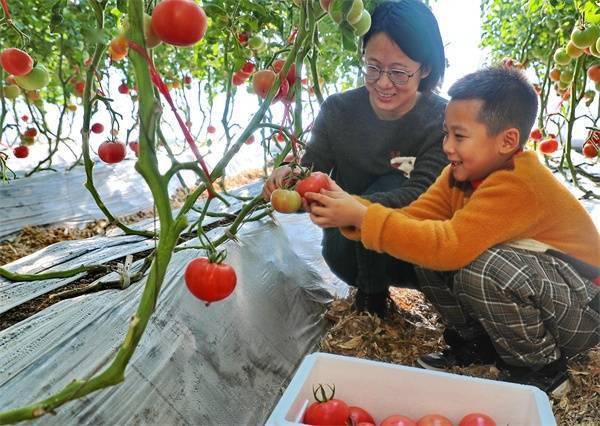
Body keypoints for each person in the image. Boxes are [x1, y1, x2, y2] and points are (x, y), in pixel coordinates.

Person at [304, 66, 600, 396]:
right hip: (548, 296)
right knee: (423, 243)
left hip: (584, 310)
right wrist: (352, 210)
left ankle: (543, 369)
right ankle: (477, 344)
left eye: (459, 136)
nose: (447, 146)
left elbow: (450, 246)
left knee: (481, 266)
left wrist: (363, 216)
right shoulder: (456, 176)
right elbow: (415, 220)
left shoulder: (518, 181)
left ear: (507, 141)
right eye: (445, 133)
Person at [262, 0, 448, 318]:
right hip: (348, 247)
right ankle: (371, 294)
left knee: (392, 182)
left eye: (399, 72)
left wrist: (356, 208)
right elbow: (313, 169)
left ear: (426, 68)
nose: (383, 82)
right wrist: (291, 177)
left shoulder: (444, 120)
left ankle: (443, 302)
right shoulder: (338, 111)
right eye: (373, 67)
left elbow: (422, 194)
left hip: (418, 246)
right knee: (377, 195)